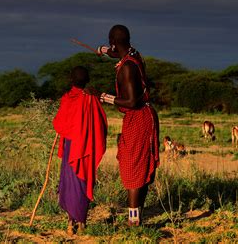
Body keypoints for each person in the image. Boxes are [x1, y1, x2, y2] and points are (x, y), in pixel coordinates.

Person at [92, 25, 160, 226]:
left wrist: (103, 96)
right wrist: (102, 50)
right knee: (141, 164)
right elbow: (116, 52)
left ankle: (133, 221)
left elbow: (131, 102)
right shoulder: (133, 53)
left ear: (114, 42)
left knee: (133, 168)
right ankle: (138, 215)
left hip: (137, 116)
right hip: (145, 115)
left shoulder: (128, 68)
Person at [53, 66, 107, 235]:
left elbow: (59, 124)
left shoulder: (66, 98)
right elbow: (101, 125)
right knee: (82, 181)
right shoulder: (90, 98)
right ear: (88, 80)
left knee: (69, 183)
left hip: (71, 148)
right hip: (85, 149)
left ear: (71, 79)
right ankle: (82, 223)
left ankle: (70, 222)